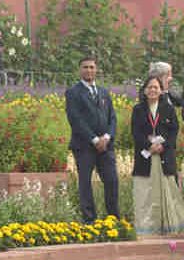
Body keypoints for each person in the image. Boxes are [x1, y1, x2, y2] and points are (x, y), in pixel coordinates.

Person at [64, 56, 120, 224]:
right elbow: (75, 119)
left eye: (92, 67)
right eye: (85, 67)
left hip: (106, 146)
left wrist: (107, 137)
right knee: (85, 183)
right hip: (84, 146)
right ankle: (89, 221)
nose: (89, 70)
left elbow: (113, 118)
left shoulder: (104, 92)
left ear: (96, 70)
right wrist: (95, 140)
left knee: (112, 180)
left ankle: (113, 219)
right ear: (80, 70)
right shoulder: (73, 92)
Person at [131, 75, 184, 235]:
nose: (153, 90)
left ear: (161, 91)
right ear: (145, 90)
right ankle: (147, 229)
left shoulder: (168, 109)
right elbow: (135, 133)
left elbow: (174, 130)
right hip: (145, 158)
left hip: (164, 157)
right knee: (146, 193)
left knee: (169, 191)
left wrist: (164, 146)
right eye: (150, 87)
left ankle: (170, 228)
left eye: (156, 87)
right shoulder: (138, 109)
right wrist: (150, 146)